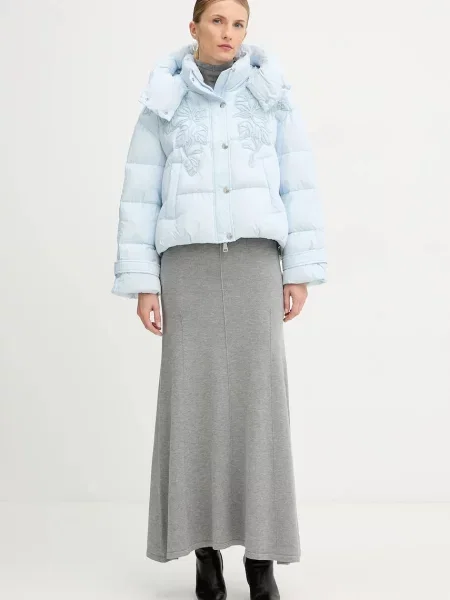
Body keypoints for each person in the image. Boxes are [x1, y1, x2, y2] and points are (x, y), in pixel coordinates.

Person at [111, 1, 327, 598]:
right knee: (193, 407)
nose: (228, 32)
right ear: (194, 27)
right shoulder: (163, 100)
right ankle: (205, 555)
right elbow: (140, 193)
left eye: (238, 24)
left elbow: (298, 182)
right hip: (187, 267)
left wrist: (298, 270)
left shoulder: (271, 94)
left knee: (261, 408)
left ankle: (262, 559)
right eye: (217, 21)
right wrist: (144, 281)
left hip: (257, 263)